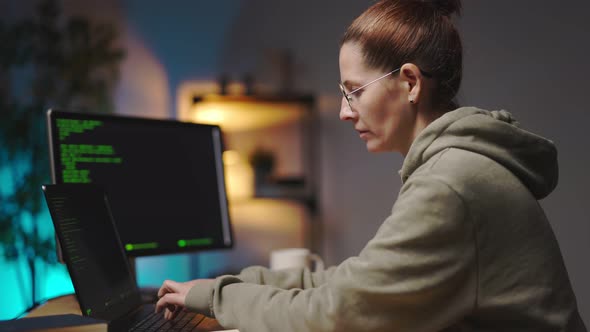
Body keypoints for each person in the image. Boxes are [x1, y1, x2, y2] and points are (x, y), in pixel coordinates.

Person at [156, 0, 587, 331]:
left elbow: (336, 315)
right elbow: (354, 286)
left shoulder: (452, 184)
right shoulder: (455, 169)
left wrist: (217, 298)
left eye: (354, 91)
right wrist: (229, 285)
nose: (345, 112)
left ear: (410, 83)